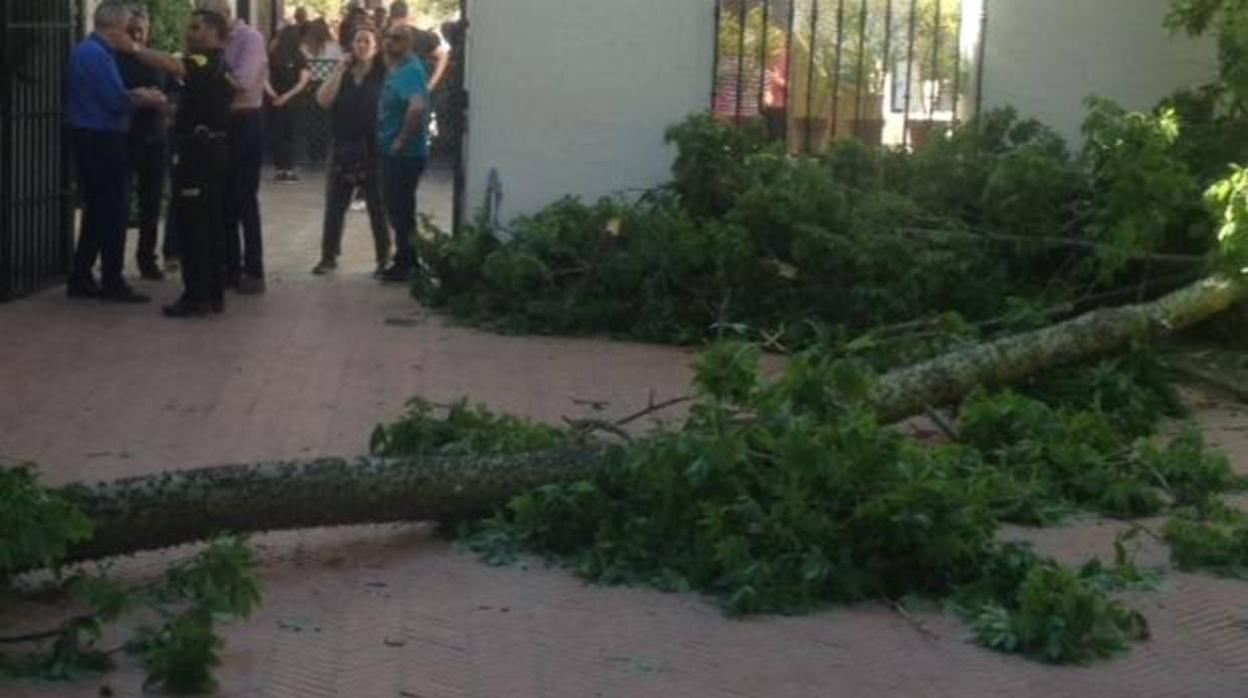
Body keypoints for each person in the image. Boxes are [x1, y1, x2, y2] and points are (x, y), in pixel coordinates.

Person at [120, 9, 238, 318]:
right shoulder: (223, 66)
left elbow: (174, 65)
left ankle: (196, 296)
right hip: (214, 149)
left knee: (194, 226)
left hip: (198, 155)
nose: (189, 32)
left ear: (213, 32)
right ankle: (212, 294)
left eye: (196, 28)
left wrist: (133, 48)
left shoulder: (204, 61)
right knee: (212, 224)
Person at [65, 2, 165, 303]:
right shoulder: (98, 55)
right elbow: (114, 100)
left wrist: (133, 95)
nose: (128, 33)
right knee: (112, 210)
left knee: (97, 211)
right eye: (125, 27)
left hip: (91, 134)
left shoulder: (88, 51)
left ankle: (81, 276)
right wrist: (143, 98)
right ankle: (112, 280)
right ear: (114, 27)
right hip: (101, 136)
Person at [196, 0, 268, 295]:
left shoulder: (249, 38)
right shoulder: (211, 41)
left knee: (243, 198)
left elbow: (244, 81)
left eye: (209, 17)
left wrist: (209, 74)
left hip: (244, 121)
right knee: (221, 197)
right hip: (220, 121)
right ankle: (229, 266)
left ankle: (253, 269)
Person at [312, 22, 389, 277]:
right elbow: (323, 100)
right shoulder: (343, 73)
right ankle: (328, 256)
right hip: (343, 145)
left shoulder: (383, 75)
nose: (362, 45)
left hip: (373, 147)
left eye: (367, 41)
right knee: (335, 205)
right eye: (358, 41)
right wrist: (339, 70)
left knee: (377, 206)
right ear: (351, 46)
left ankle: (383, 258)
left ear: (376, 46)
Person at [116, 5, 172, 281]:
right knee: (120, 201)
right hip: (124, 137)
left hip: (154, 139)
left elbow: (175, 94)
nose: (137, 34)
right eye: (132, 28)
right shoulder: (114, 59)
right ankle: (112, 262)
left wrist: (164, 105)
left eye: (141, 28)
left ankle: (147, 259)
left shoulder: (158, 59)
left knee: (151, 204)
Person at [377, 25, 430, 282]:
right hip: (392, 150)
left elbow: (417, 108)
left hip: (405, 154)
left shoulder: (411, 70)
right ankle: (406, 258)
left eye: (397, 39)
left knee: (400, 207)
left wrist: (401, 140)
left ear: (409, 43)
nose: (389, 42)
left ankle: (407, 262)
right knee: (398, 206)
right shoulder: (396, 68)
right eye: (387, 37)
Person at [266, 25, 312, 182]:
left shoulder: (273, 55)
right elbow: (303, 80)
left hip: (275, 100)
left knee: (277, 134)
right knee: (291, 134)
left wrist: (273, 94)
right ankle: (290, 169)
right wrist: (288, 96)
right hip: (294, 101)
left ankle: (279, 169)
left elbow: (264, 76)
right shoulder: (299, 56)